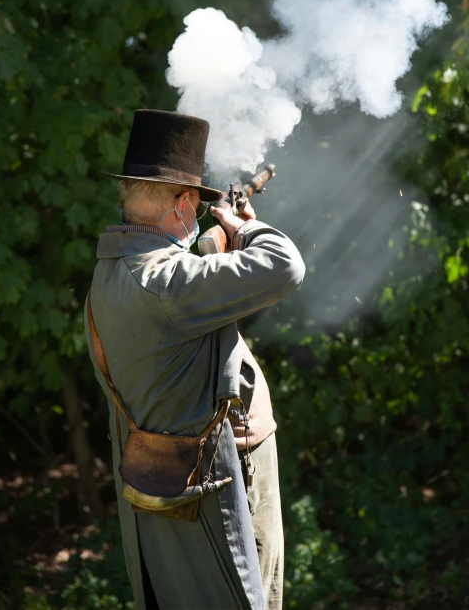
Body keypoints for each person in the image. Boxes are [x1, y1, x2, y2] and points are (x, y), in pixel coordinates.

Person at [84, 109, 305, 610]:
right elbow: (285, 265)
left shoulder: (111, 273)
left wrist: (210, 244)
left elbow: (176, 298)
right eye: (199, 205)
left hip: (161, 488)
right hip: (219, 486)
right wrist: (241, 227)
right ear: (184, 201)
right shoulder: (169, 286)